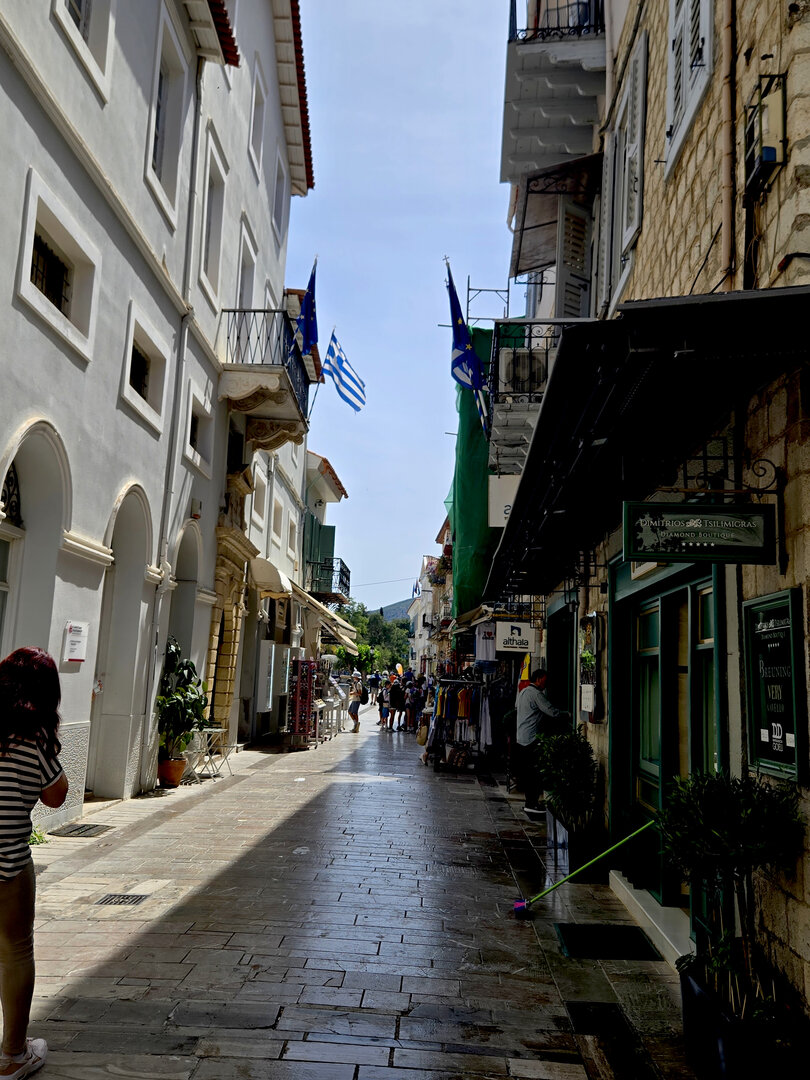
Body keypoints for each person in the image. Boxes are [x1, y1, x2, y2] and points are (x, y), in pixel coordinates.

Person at [0, 648, 68, 1080]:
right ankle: (13, 1055)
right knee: (15, 953)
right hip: (8, 864)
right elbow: (57, 796)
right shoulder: (34, 739)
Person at [515, 668, 568, 815]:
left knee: (528, 773)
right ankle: (532, 804)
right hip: (531, 739)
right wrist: (568, 714)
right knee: (534, 774)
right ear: (538, 679)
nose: (546, 683)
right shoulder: (536, 694)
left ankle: (529, 803)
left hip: (521, 738)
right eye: (544, 680)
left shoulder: (523, 692)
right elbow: (551, 711)